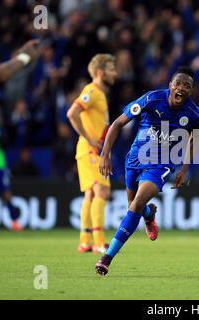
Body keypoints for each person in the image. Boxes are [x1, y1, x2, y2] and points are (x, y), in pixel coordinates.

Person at [95, 66, 199, 276]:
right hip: (135, 159)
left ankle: (107, 258)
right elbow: (117, 123)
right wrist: (104, 154)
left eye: (187, 86)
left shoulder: (196, 116)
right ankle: (149, 213)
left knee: (135, 203)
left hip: (161, 165)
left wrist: (184, 168)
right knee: (134, 207)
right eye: (178, 84)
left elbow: (194, 139)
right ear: (170, 86)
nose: (182, 88)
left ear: (191, 91)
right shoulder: (152, 99)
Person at [67, 54, 118, 254]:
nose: (115, 73)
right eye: (111, 69)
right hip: (91, 150)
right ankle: (98, 241)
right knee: (102, 192)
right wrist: (89, 139)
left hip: (89, 150)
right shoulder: (91, 91)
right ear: (100, 72)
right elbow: (72, 113)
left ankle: (85, 240)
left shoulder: (99, 93)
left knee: (90, 193)